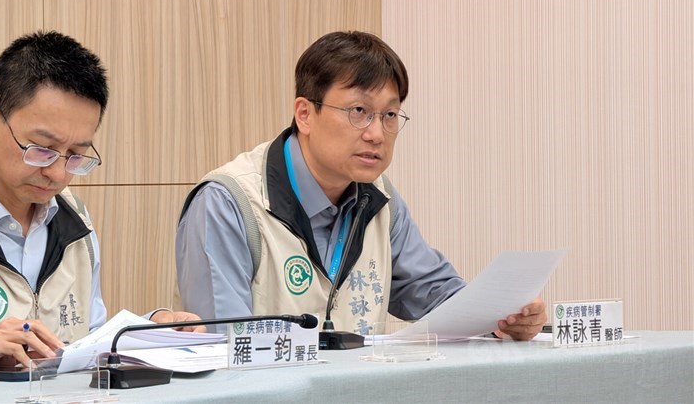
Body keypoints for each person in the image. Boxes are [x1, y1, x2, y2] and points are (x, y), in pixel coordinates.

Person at [175, 31, 546, 339]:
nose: (376, 133)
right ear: (305, 114)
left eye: (389, 114)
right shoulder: (228, 203)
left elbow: (436, 297)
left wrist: (503, 319)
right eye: (358, 111)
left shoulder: (379, 198)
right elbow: (223, 345)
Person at [0, 31, 201, 374]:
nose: (57, 173)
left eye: (76, 155)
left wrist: (147, 330)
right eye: (41, 148)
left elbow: (87, 342)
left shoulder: (74, 218)